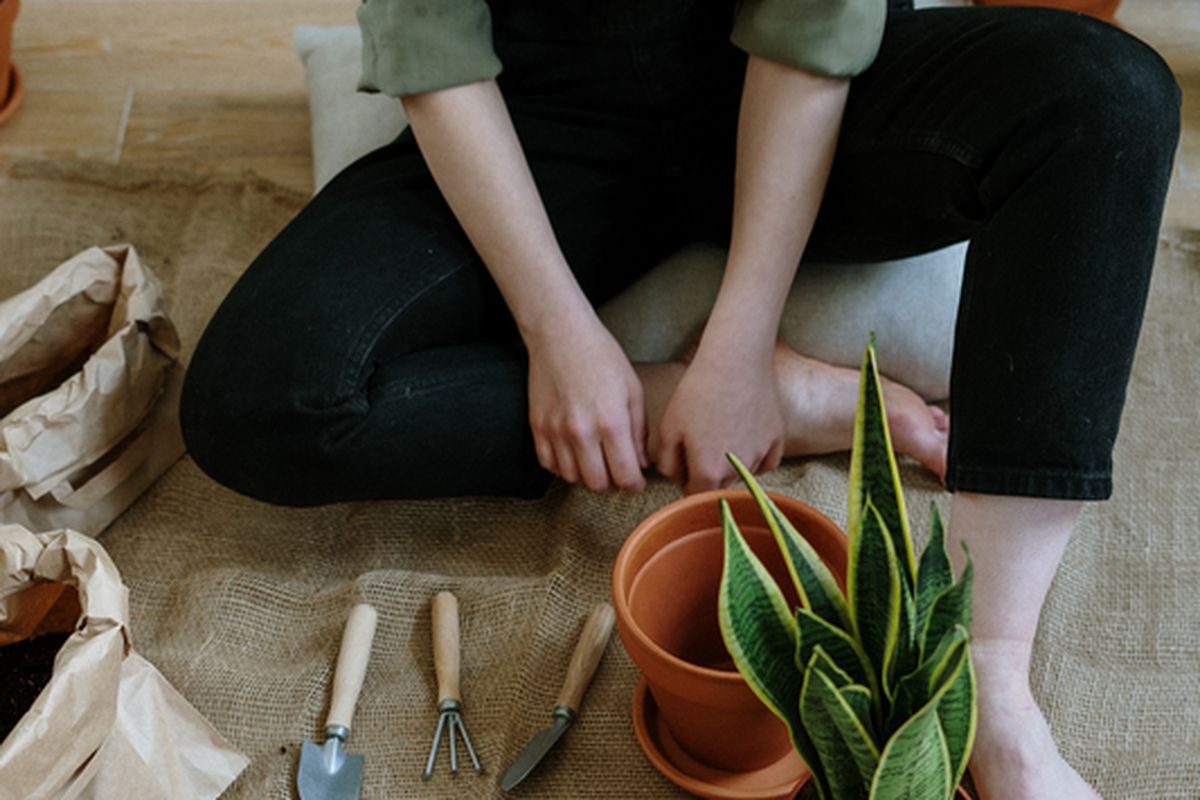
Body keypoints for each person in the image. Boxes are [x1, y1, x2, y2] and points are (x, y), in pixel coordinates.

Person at [179, 1, 1181, 797]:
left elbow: (810, 27)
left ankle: (992, 678)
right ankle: (714, 398)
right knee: (255, 398)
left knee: (1109, 93)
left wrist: (739, 346)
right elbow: (432, 45)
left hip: (791, 96)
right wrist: (559, 333)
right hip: (540, 120)